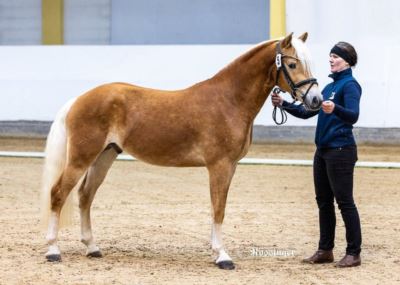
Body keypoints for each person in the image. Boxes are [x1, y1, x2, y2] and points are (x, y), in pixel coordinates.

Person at [271, 41, 362, 268]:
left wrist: (336, 109)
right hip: (322, 151)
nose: (331, 59)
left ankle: (354, 253)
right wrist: (283, 104)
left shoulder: (350, 85)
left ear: (347, 61)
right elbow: (306, 112)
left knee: (345, 202)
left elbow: (353, 116)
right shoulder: (328, 87)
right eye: (330, 56)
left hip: (341, 150)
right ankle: (325, 250)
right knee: (323, 202)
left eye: (336, 56)